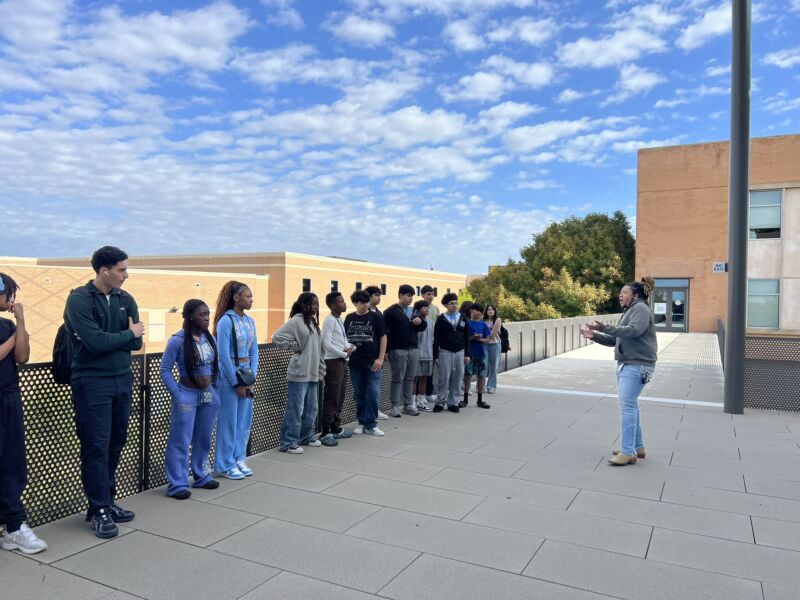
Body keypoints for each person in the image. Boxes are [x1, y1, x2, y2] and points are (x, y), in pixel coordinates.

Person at [65, 246, 143, 538]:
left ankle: (107, 502)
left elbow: (136, 345)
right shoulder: (79, 300)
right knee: (96, 445)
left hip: (122, 378)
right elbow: (96, 343)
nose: (126, 275)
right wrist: (127, 335)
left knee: (116, 441)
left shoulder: (126, 299)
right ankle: (98, 509)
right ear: (104, 270)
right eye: (122, 270)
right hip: (92, 382)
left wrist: (120, 338)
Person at [581, 280, 657, 466]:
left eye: (624, 292)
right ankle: (637, 448)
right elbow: (616, 339)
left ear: (636, 295)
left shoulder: (640, 309)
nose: (620, 295)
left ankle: (627, 451)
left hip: (637, 364)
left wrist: (603, 327)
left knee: (628, 406)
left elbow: (633, 331)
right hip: (629, 363)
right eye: (620, 292)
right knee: (631, 405)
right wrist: (596, 336)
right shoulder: (630, 311)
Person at [0, 273, 47, 554]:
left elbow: (22, 356)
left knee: (12, 463)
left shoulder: (7, 324)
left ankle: (15, 528)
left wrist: (20, 323)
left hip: (9, 397)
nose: (11, 299)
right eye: (8, 293)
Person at [160, 300, 221, 499]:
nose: (206, 318)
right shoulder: (177, 340)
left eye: (207, 314)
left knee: (203, 438)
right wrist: (177, 394)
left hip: (208, 395)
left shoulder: (209, 338)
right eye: (202, 314)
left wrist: (215, 390)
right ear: (190, 316)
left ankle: (201, 475)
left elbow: (215, 367)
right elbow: (165, 370)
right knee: (181, 439)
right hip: (186, 394)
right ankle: (177, 483)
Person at [213, 281, 258, 479]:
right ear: (236, 297)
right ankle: (224, 464)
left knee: (244, 421)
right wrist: (236, 383)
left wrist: (251, 378)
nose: (251, 299)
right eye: (247, 296)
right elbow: (222, 355)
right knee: (228, 422)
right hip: (229, 377)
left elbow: (254, 351)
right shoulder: (225, 321)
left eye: (251, 296)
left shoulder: (250, 321)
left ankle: (239, 457)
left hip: (246, 375)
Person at [272, 292, 326, 454]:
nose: (316, 307)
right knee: (295, 409)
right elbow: (277, 338)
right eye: (313, 303)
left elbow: (320, 349)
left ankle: (306, 436)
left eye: (317, 304)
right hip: (298, 374)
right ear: (303, 304)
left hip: (313, 373)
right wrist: (295, 346)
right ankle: (288, 442)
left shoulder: (313, 323)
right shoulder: (296, 321)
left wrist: (321, 370)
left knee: (312, 409)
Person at [344, 290, 387, 436]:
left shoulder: (375, 317)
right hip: (355, 362)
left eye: (367, 302)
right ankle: (362, 422)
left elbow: (383, 337)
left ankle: (372, 423)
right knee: (359, 393)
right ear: (355, 303)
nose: (365, 305)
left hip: (373, 362)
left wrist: (380, 358)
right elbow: (345, 339)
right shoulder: (349, 318)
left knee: (373, 393)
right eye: (361, 302)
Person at [384, 284, 427, 417]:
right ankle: (395, 406)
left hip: (413, 349)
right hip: (398, 349)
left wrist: (421, 321)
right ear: (401, 295)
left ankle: (408, 405)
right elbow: (385, 332)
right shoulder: (390, 311)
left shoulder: (413, 311)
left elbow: (422, 327)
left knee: (410, 378)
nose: (410, 299)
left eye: (412, 296)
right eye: (408, 296)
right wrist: (386, 351)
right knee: (397, 378)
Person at [320, 291, 355, 446]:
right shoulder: (329, 320)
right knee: (332, 395)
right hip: (333, 361)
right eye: (341, 301)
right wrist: (343, 353)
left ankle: (336, 427)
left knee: (340, 395)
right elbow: (326, 343)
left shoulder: (339, 319)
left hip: (342, 360)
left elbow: (343, 340)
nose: (344, 303)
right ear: (333, 305)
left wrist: (350, 347)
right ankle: (326, 431)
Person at [432, 293, 470, 413]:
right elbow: (436, 338)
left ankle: (453, 402)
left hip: (460, 351)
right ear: (445, 305)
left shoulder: (463, 317)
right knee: (443, 378)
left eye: (456, 303)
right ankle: (440, 402)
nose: (454, 305)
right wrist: (435, 356)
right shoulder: (441, 318)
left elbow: (466, 337)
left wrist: (467, 354)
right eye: (451, 303)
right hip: (445, 351)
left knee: (458, 378)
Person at [364, 285, 389, 421]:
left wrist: (383, 354)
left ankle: (375, 410)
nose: (379, 298)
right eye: (376, 295)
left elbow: (383, 335)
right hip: (363, 356)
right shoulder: (363, 312)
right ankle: (364, 415)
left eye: (380, 295)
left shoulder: (379, 313)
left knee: (375, 387)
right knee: (363, 389)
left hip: (377, 356)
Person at [463, 303, 492, 409]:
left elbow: (489, 339)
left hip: (481, 353)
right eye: (476, 310)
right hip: (469, 354)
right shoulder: (466, 323)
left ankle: (480, 400)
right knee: (468, 376)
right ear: (471, 311)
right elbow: (463, 339)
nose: (479, 313)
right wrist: (472, 338)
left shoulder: (483, 324)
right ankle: (465, 399)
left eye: (480, 311)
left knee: (481, 376)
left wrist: (480, 339)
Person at [412, 300, 433, 411]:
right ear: (418, 310)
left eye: (427, 307)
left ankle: (421, 400)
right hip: (417, 353)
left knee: (424, 377)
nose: (426, 309)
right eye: (423, 307)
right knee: (414, 378)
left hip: (428, 353)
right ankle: (412, 402)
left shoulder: (430, 322)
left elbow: (433, 338)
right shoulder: (415, 321)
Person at [420, 285, 438, 405]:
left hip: (432, 343)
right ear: (422, 295)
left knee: (430, 370)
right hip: (420, 343)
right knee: (418, 373)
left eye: (432, 294)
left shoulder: (436, 309)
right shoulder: (418, 307)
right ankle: (419, 396)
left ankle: (429, 393)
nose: (431, 296)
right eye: (428, 294)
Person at [483, 304, 503, 394]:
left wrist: (482, 339)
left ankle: (491, 386)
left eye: (492, 309)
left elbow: (493, 333)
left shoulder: (498, 320)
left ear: (494, 311)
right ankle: (481, 386)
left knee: (494, 366)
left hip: (495, 344)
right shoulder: (483, 320)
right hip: (484, 345)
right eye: (488, 309)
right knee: (483, 365)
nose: (490, 311)